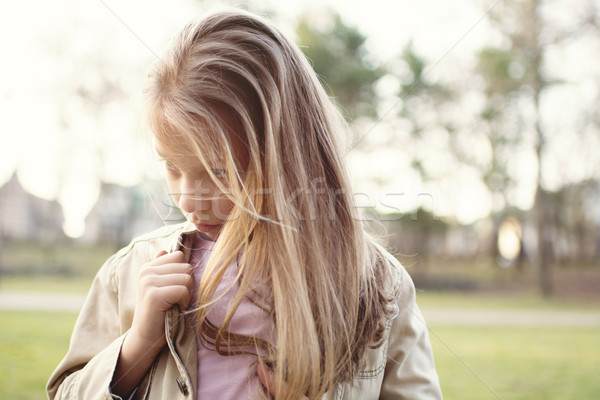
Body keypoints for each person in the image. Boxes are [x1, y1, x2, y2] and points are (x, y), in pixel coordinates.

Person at [47, 9, 442, 400]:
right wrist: (134, 349)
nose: (186, 198)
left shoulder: (374, 286)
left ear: (290, 158)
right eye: (171, 166)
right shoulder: (131, 273)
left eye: (220, 172)